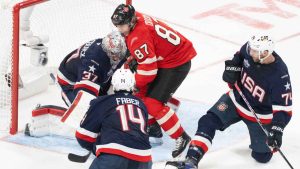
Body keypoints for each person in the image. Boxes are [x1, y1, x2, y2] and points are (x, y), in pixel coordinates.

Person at [165, 34, 293, 169]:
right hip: (236, 99)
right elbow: (239, 57)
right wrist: (233, 69)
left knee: (261, 157)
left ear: (266, 53)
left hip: (260, 116)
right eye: (251, 49)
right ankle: (192, 160)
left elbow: (284, 109)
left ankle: (259, 146)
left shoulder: (280, 76)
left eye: (256, 51)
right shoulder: (250, 48)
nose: (251, 52)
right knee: (208, 121)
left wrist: (277, 130)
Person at [111, 4, 197, 157]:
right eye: (117, 25)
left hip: (177, 62)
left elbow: (149, 71)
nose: (119, 29)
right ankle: (153, 127)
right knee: (141, 94)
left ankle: (181, 137)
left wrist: (134, 84)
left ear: (131, 22)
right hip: (168, 57)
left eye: (122, 25)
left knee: (152, 103)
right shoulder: (137, 18)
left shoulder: (137, 37)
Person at [25, 31, 128, 137]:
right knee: (84, 116)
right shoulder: (93, 61)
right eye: (114, 55)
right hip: (71, 83)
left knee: (114, 109)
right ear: (107, 51)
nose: (118, 58)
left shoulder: (116, 47)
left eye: (120, 54)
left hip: (98, 79)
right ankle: (41, 120)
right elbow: (85, 98)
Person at [75, 68, 152, 169]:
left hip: (113, 157)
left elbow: (83, 136)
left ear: (113, 84)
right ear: (132, 85)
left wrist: (96, 148)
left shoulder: (102, 102)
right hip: (144, 160)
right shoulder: (141, 105)